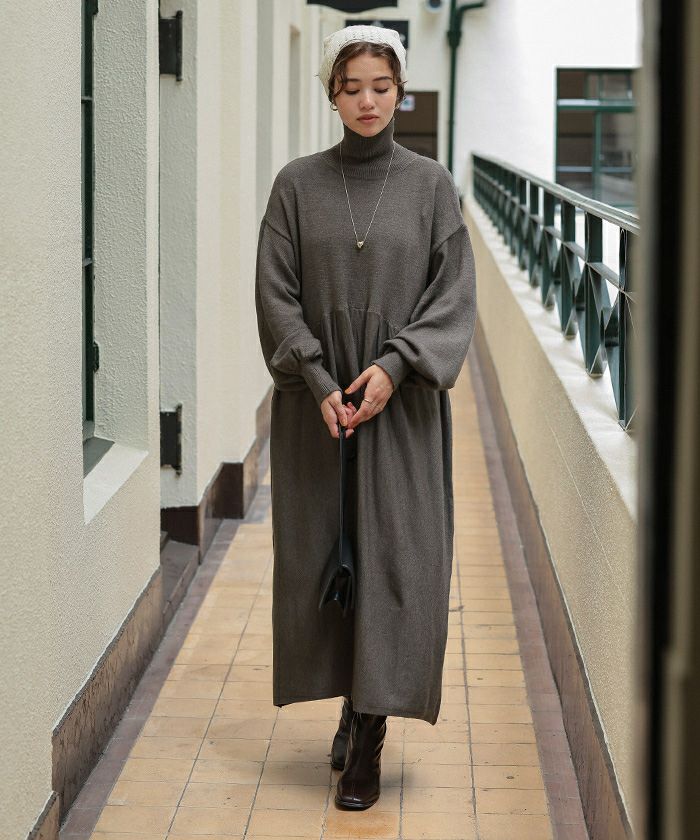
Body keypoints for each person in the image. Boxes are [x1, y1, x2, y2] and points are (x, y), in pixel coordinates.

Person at [254, 24, 477, 810]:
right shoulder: (296, 185)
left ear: (400, 90)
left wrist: (394, 365)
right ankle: (352, 702)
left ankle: (369, 738)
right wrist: (319, 377)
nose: (368, 101)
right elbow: (275, 293)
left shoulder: (430, 186)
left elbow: (453, 294)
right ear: (332, 94)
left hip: (401, 408)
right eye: (352, 87)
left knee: (396, 563)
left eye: (381, 86)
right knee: (325, 560)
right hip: (320, 413)